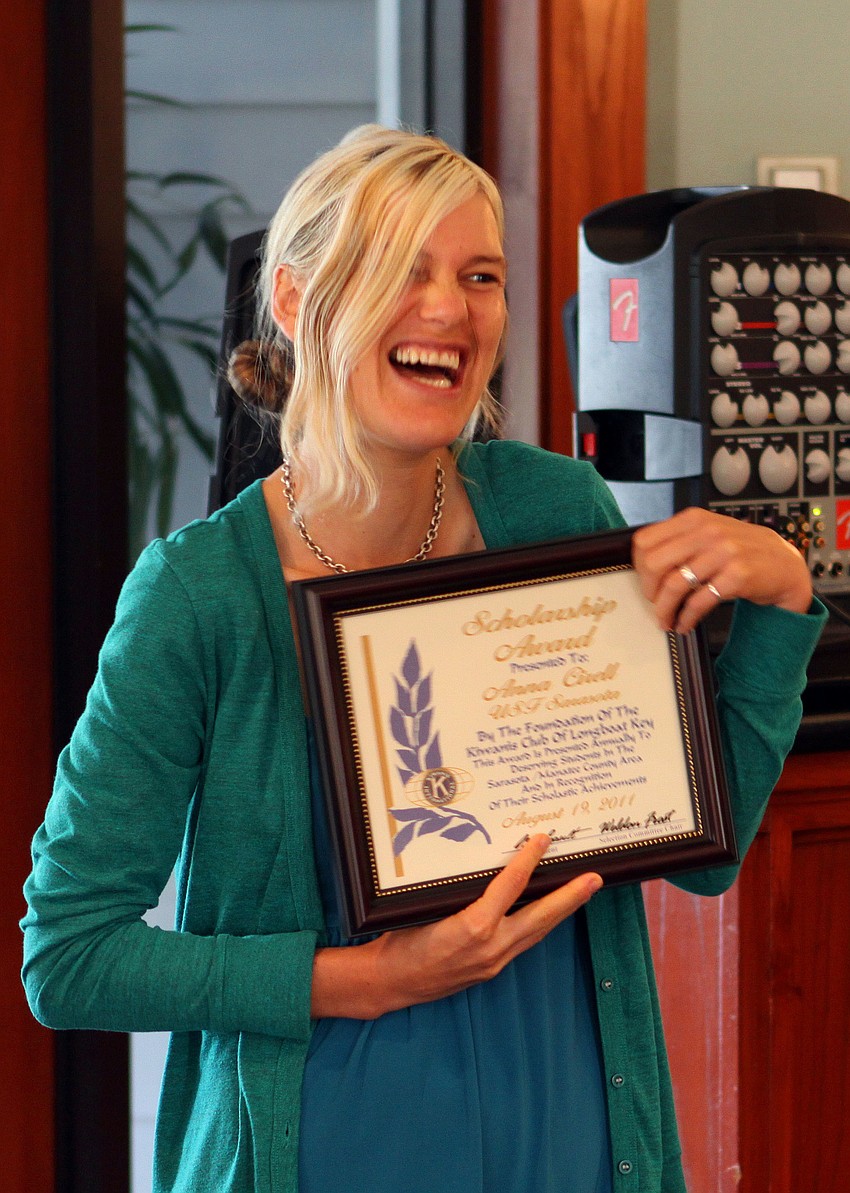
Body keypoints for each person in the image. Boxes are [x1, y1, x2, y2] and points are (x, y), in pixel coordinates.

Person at [22, 125, 825, 1193]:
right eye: (402, 267)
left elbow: (698, 853)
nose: (449, 308)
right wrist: (364, 978)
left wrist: (780, 601)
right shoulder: (197, 595)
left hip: (574, 1139)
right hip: (322, 1151)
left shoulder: (556, 509)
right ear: (297, 300)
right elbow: (69, 956)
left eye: (479, 275)